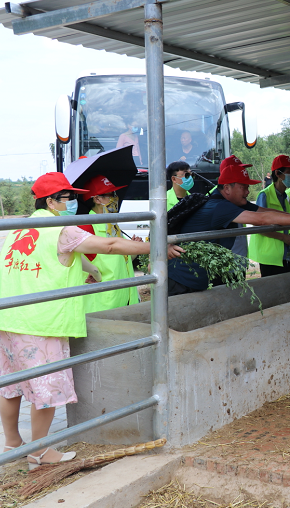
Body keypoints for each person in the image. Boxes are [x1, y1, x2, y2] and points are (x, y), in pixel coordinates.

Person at [0, 172, 183, 469]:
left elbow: (55, 257)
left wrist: (90, 270)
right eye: (68, 198)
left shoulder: (21, 228)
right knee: (46, 387)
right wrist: (155, 247)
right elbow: (109, 246)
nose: (73, 202)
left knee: (12, 385)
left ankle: (12, 443)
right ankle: (40, 451)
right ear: (51, 201)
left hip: (9, 318)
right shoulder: (60, 228)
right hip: (40, 321)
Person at [168, 156, 290, 295]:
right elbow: (262, 219)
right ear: (227, 188)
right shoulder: (220, 207)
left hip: (195, 277)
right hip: (181, 279)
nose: (248, 192)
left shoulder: (233, 202)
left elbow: (266, 211)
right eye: (244, 187)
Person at [78, 175, 141, 313]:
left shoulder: (113, 226)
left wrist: (134, 249)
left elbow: (123, 261)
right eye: (110, 195)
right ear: (97, 199)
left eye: (115, 194)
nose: (115, 198)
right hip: (104, 304)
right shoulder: (87, 227)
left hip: (127, 299)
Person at [249, 155, 290, 277]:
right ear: (278, 173)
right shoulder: (264, 195)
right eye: (289, 172)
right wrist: (284, 238)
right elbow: (259, 227)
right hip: (269, 257)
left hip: (283, 254)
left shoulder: (285, 197)